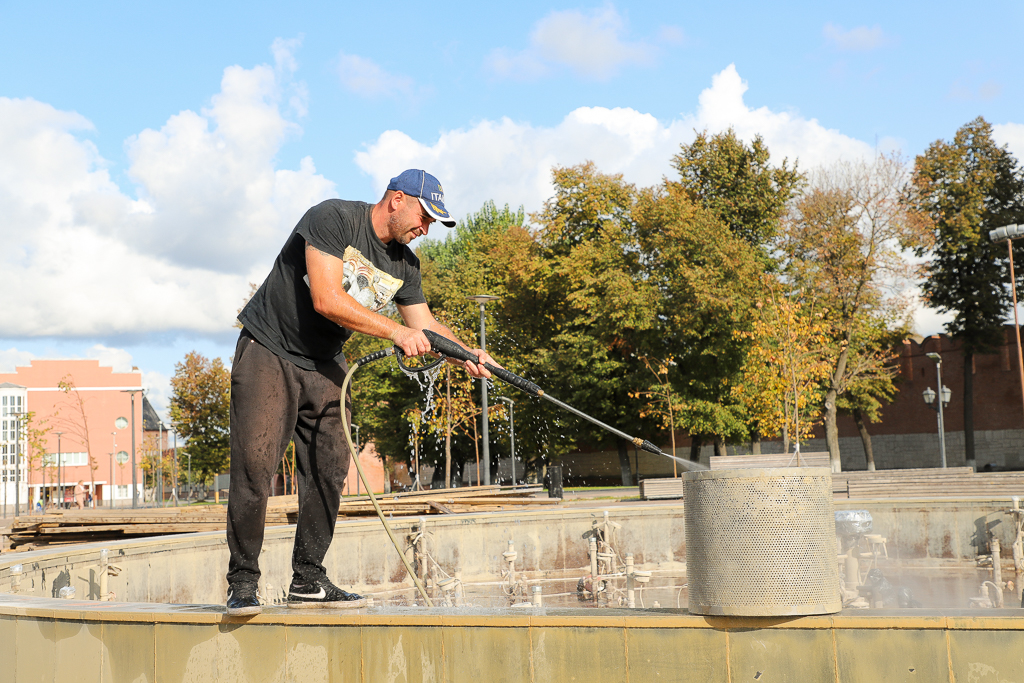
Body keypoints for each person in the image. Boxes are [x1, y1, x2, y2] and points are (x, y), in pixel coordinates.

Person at [226, 169, 497, 616]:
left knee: (331, 466)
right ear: (396, 200)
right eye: (424, 216)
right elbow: (327, 299)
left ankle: (308, 579)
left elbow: (425, 326)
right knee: (256, 466)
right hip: (269, 349)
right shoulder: (332, 219)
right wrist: (394, 332)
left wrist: (469, 354)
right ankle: (243, 581)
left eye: (433, 223)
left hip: (325, 362)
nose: (425, 229)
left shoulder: (405, 265)